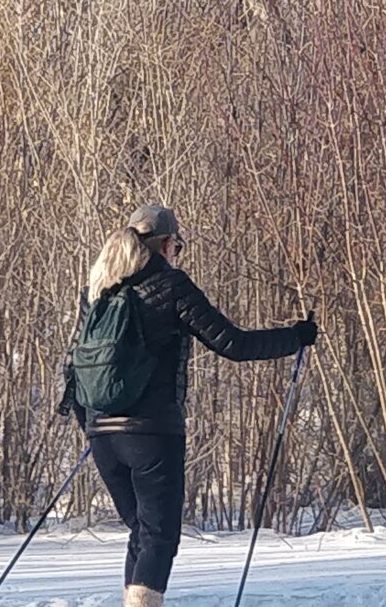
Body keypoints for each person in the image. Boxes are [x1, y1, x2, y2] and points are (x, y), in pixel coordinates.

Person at [59, 204, 317, 607]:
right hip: (152, 433)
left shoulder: (95, 294)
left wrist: (91, 426)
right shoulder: (171, 286)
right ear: (165, 245)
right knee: (159, 536)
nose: (177, 254)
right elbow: (233, 343)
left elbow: (72, 366)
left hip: (103, 436)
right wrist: (297, 337)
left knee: (142, 533)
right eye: (177, 246)